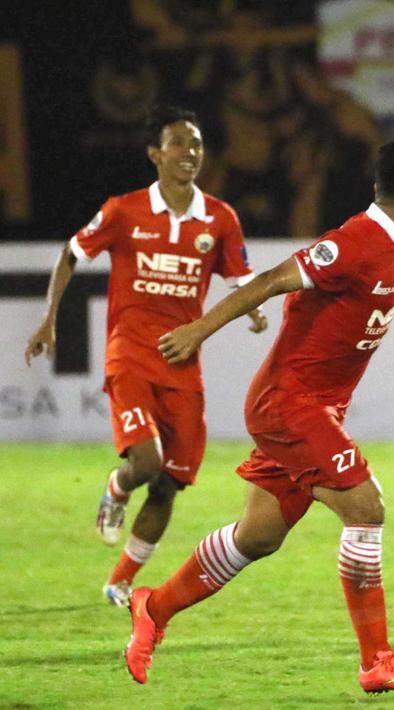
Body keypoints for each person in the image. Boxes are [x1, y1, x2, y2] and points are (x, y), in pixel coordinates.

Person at [123, 105, 394, 694]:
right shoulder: (356, 243)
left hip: (309, 407)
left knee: (258, 536)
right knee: (365, 507)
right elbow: (271, 280)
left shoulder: (386, 237)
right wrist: (197, 331)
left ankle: (154, 608)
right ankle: (376, 660)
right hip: (290, 405)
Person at [24, 105, 267, 607]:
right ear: (155, 153)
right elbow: (71, 253)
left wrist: (252, 311)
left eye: (196, 143)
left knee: (168, 487)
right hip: (130, 354)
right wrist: (49, 319)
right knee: (148, 464)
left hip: (183, 364)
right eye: (178, 142)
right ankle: (117, 485)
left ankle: (120, 580)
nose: (190, 152)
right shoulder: (123, 210)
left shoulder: (219, 219)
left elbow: (240, 276)